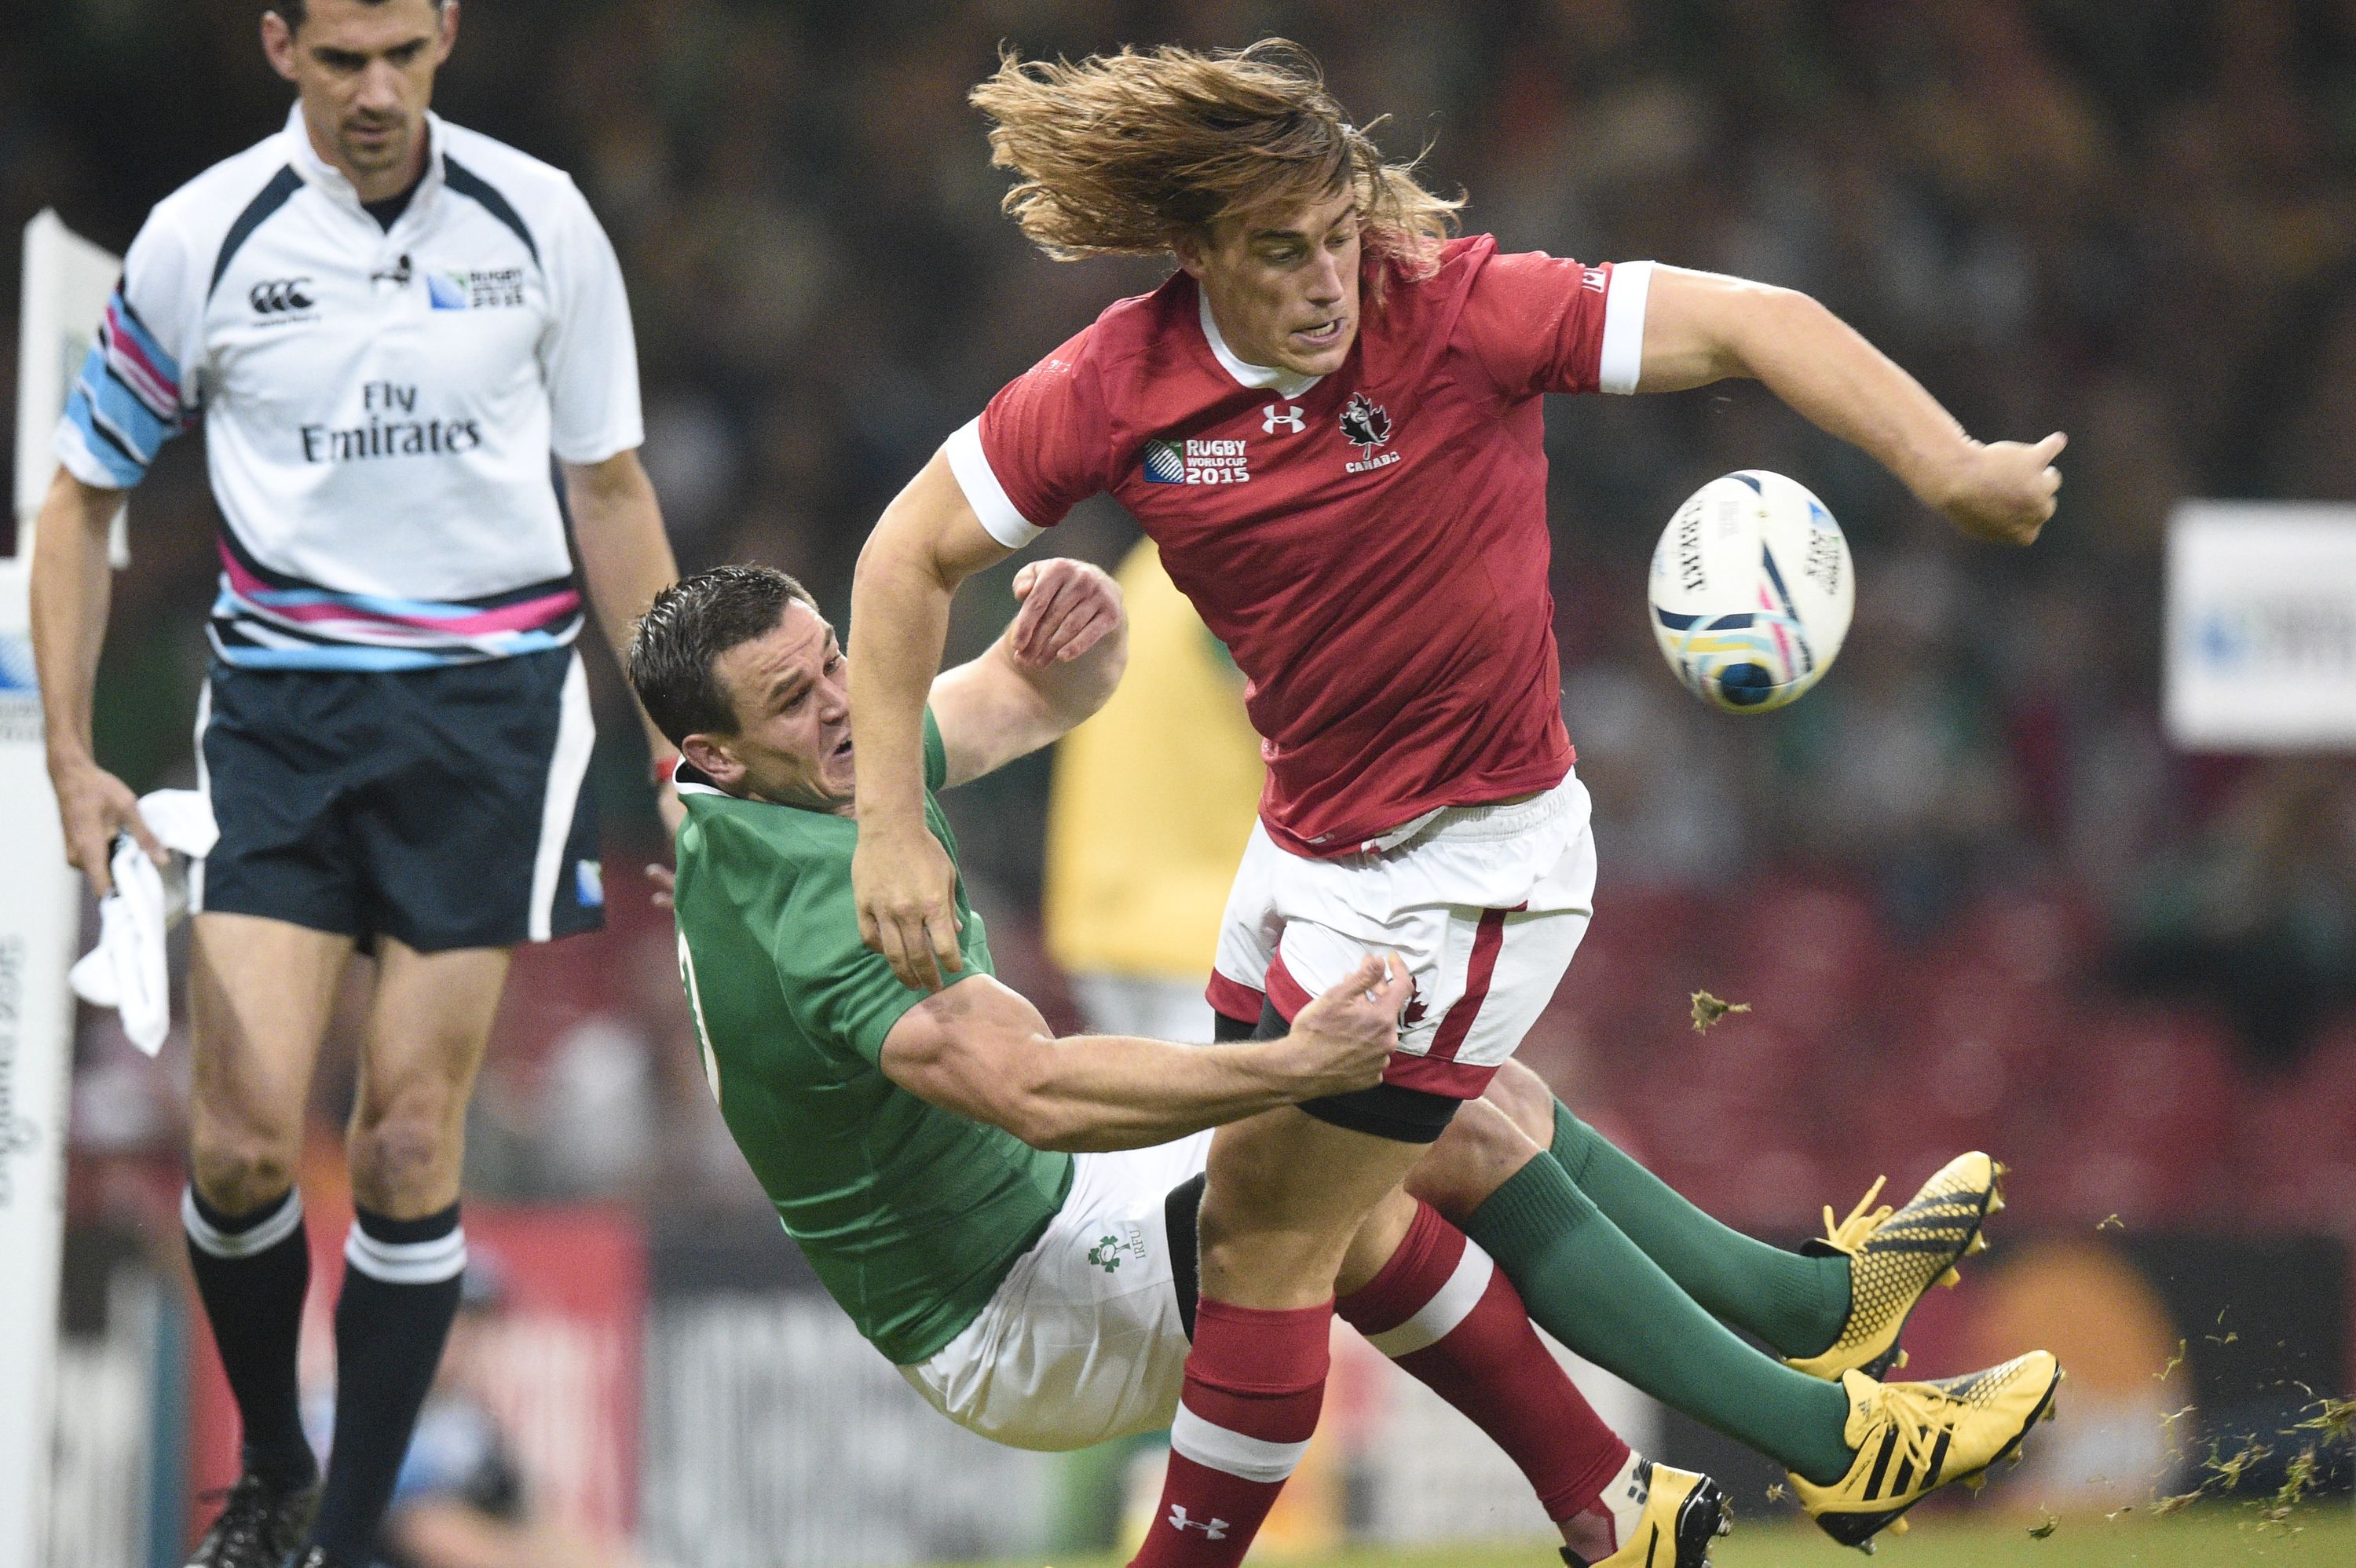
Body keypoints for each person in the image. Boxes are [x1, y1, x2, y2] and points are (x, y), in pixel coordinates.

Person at [846, 40, 2062, 1563]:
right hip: (1297, 850)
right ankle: (1796, 1318)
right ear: (1198, 252)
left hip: (1468, 866)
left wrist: (1949, 465)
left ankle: (1831, 1440)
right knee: (1437, 1153)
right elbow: (905, 555)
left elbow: (1758, 318)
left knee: (1274, 1237)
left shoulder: (1462, 310)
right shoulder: (1116, 381)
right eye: (1280, 251)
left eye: (1340, 233)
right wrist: (891, 822)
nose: (1326, 278)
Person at [631, 561, 1743, 1568]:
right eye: (793, 696)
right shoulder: (814, 900)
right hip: (1004, 1303)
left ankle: (1616, 1495)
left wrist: (1087, 644)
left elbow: (1021, 699)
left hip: (1051, 1211)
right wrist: (1300, 1067)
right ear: (714, 754)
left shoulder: (811, 777)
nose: (840, 698)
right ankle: (1716, 1400)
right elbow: (1037, 1092)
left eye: (835, 656)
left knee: (1459, 1110)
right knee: (1340, 1167)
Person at [30, 3, 678, 1565]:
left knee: (403, 1140)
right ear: (278, 48)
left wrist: (679, 733)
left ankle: (347, 1529)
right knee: (245, 1137)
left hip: (492, 717)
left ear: (447, 31)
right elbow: (76, 502)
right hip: (282, 720)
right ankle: (275, 1460)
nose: (376, 89)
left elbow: (608, 486)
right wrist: (68, 751)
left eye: (403, 50)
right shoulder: (202, 239)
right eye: (341, 59)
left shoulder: (543, 221)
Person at [1042, 537, 1264, 1043]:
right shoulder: (1253, 554)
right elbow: (1308, 743)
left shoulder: (1164, 553)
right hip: (1214, 936)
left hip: (1106, 925)